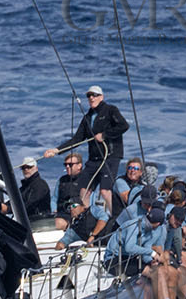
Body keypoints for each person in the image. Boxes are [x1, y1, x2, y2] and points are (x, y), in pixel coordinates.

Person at [44, 85, 129, 215]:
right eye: (89, 96)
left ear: (101, 97)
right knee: (83, 190)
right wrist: (56, 150)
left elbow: (124, 126)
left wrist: (105, 135)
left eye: (94, 95)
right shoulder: (87, 117)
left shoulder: (110, 110)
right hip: (94, 159)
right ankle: (87, 217)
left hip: (110, 156)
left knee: (105, 191)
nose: (91, 98)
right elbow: (77, 139)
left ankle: (115, 218)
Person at [54, 154, 86, 219]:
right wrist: (54, 210)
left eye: (70, 164)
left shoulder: (86, 180)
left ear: (79, 166)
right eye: (65, 165)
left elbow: (91, 202)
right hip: (61, 214)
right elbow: (54, 198)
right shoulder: (62, 180)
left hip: (80, 216)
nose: (67, 167)